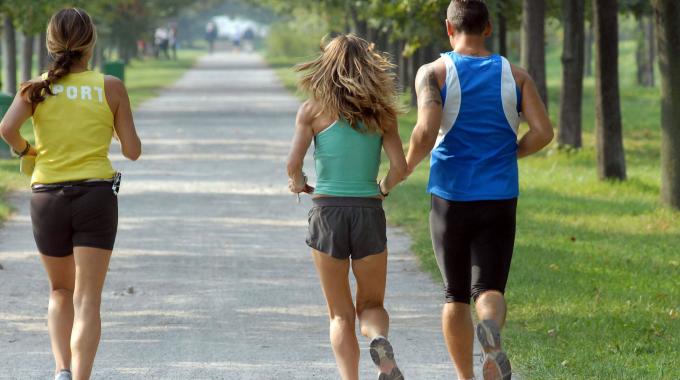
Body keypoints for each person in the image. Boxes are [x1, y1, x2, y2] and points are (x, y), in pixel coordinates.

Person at [405, 1, 553, 379]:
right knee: (488, 288)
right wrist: (513, 152)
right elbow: (543, 132)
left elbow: (424, 132)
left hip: (449, 199)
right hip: (499, 197)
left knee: (455, 294)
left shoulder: (434, 73)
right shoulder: (516, 76)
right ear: (488, 28)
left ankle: (465, 377)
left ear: (448, 29)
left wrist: (401, 170)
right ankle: (491, 336)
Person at [0, 8, 141, 380]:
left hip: (46, 197)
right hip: (95, 197)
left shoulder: (34, 88)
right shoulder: (109, 86)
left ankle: (61, 370)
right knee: (87, 298)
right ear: (91, 44)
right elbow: (132, 150)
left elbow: (6, 128)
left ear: (50, 43)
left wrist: (27, 152)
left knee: (60, 289)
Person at [287, 34, 407, 380]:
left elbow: (292, 164)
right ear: (368, 66)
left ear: (326, 66)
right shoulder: (382, 113)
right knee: (371, 305)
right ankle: (380, 340)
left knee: (339, 315)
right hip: (368, 211)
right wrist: (381, 191)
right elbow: (399, 168)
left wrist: (298, 183)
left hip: (326, 212)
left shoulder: (312, 111)